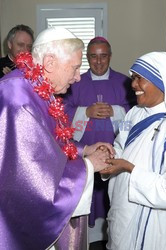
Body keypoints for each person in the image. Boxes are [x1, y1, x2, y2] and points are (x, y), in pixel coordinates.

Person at [0, 26, 114, 250]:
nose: (77, 77)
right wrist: (89, 167)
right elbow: (30, 182)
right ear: (50, 63)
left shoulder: (38, 88)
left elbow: (49, 140)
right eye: (73, 68)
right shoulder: (17, 98)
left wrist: (84, 150)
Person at [100, 51, 166, 250]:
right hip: (123, 208)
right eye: (133, 78)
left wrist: (129, 168)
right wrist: (111, 156)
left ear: (162, 82)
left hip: (155, 223)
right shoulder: (134, 113)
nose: (133, 85)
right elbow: (122, 146)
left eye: (140, 78)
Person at [63, 36, 136, 244]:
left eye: (103, 56)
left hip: (115, 151)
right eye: (93, 57)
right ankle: (88, 237)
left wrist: (117, 111)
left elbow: (135, 114)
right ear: (87, 58)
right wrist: (86, 112)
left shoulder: (124, 82)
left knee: (114, 195)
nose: (98, 61)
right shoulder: (75, 82)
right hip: (86, 152)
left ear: (110, 56)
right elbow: (62, 112)